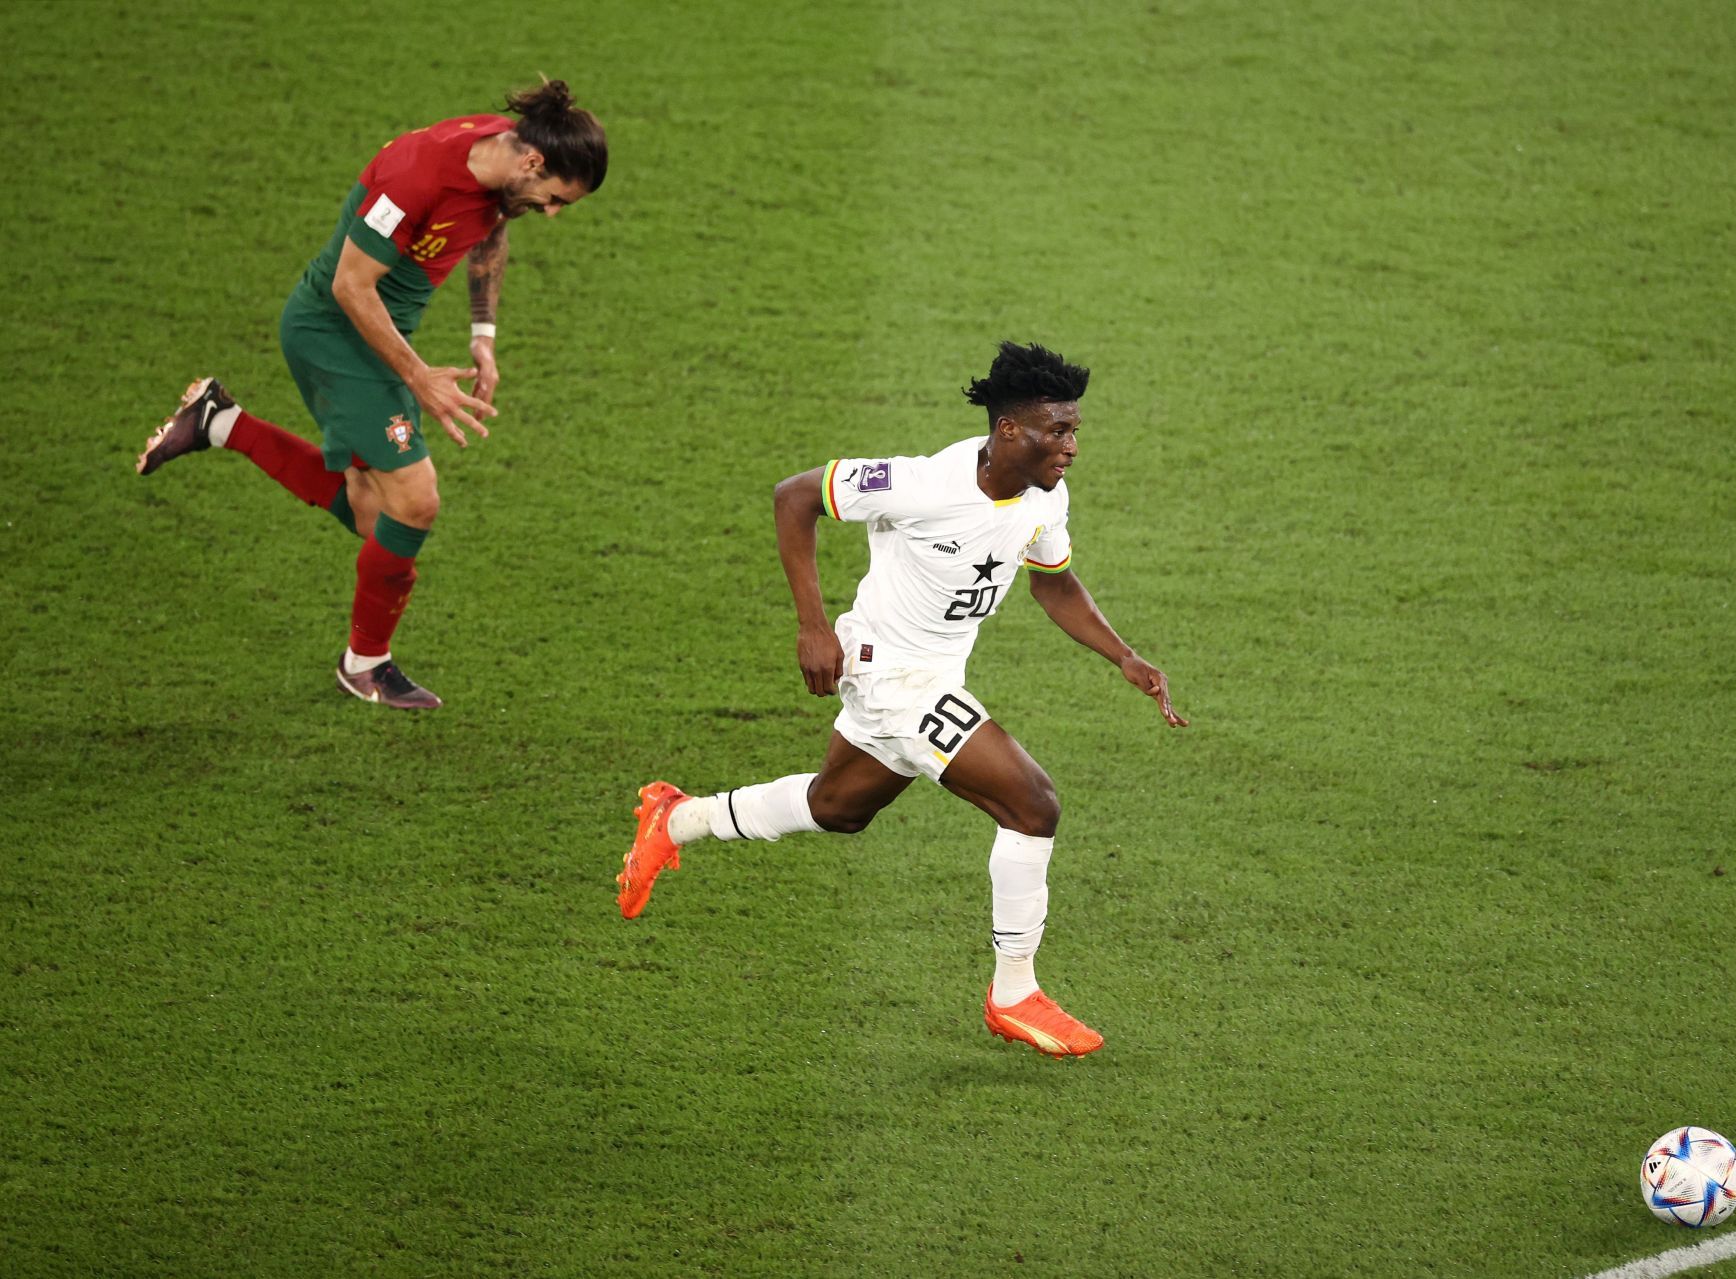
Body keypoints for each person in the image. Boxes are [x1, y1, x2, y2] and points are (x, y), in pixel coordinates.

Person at [619, 341, 1188, 1058]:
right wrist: (811, 624)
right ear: (1009, 429)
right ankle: (1014, 991)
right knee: (1033, 803)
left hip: (936, 676)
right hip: (889, 675)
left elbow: (1053, 582)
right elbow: (794, 496)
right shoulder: (919, 483)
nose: (1072, 446)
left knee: (838, 807)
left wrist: (1124, 655)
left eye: (1075, 430)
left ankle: (678, 818)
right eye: (1060, 430)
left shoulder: (1046, 494)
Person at [136, 79, 608, 709]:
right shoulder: (419, 174)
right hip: (336, 336)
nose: (551, 211)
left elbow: (493, 224)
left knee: (372, 514)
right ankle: (365, 665)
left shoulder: (501, 165)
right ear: (532, 161)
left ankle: (221, 422)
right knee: (415, 502)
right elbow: (350, 286)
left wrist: (483, 335)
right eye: (556, 199)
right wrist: (418, 378)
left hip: (375, 337)